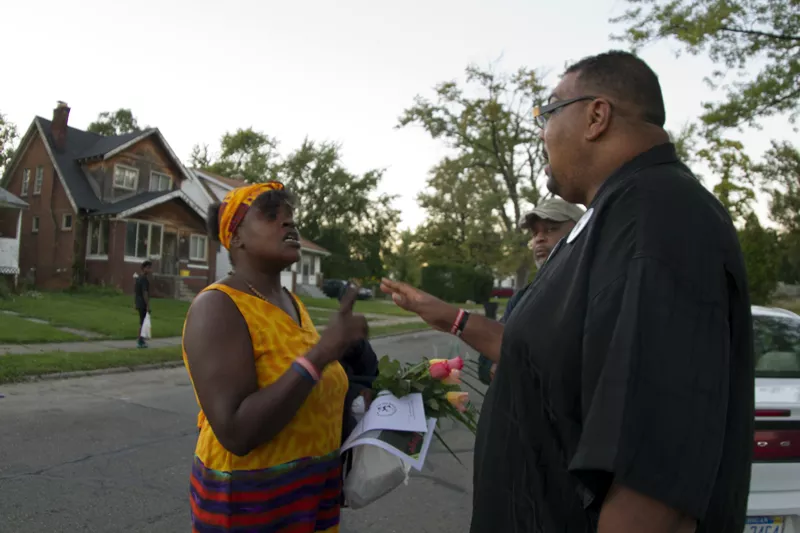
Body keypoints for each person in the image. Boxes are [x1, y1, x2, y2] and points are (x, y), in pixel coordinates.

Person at [385, 51, 754, 533]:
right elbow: (545, 358)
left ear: (596, 116)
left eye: (547, 111)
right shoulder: (610, 218)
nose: (540, 131)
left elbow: (654, 478)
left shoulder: (662, 217)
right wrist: (447, 316)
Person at [182, 181, 368, 533]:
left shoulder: (291, 303)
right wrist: (322, 354)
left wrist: (365, 399)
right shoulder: (218, 306)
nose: (289, 224)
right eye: (271, 216)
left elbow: (309, 393)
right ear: (236, 238)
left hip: (311, 501)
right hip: (249, 509)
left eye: (291, 216)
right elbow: (236, 432)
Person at [477, 197, 585, 383]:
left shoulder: (595, 291)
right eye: (535, 233)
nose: (539, 238)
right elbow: (485, 362)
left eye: (550, 229)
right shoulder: (522, 298)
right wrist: (494, 367)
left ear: (581, 231)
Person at [134, 260, 152, 348]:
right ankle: (140, 341)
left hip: (138, 302)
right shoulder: (144, 279)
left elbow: (136, 292)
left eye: (150, 268)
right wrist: (148, 305)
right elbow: (145, 292)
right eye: (147, 268)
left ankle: (141, 340)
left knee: (142, 322)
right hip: (143, 304)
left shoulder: (139, 278)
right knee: (143, 323)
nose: (149, 270)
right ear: (143, 268)